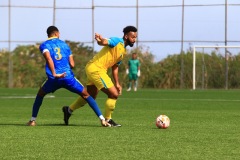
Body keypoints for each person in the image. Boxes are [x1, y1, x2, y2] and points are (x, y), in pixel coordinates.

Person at [26, 26, 110, 127]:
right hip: (68, 78)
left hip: (54, 79)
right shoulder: (65, 45)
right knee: (86, 95)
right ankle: (102, 119)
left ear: (48, 34)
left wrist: (54, 73)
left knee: (40, 95)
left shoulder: (44, 45)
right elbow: (72, 64)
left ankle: (32, 121)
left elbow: (48, 58)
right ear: (56, 34)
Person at [62, 26, 138, 127]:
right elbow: (105, 42)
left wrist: (117, 84)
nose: (134, 39)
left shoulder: (123, 51)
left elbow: (115, 67)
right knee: (113, 94)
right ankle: (108, 120)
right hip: (97, 69)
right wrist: (100, 40)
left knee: (90, 95)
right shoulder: (117, 41)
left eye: (135, 37)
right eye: (133, 37)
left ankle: (69, 110)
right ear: (126, 36)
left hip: (93, 68)